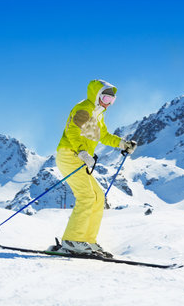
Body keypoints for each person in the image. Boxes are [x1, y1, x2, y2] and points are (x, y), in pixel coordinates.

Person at [52, 79, 137, 257]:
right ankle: (73, 240)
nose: (108, 104)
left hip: (79, 158)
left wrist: (123, 144)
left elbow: (103, 136)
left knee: (98, 197)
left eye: (111, 101)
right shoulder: (85, 108)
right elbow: (72, 131)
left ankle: (87, 241)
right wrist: (82, 151)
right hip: (70, 154)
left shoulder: (98, 114)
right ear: (97, 95)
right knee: (87, 196)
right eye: (106, 99)